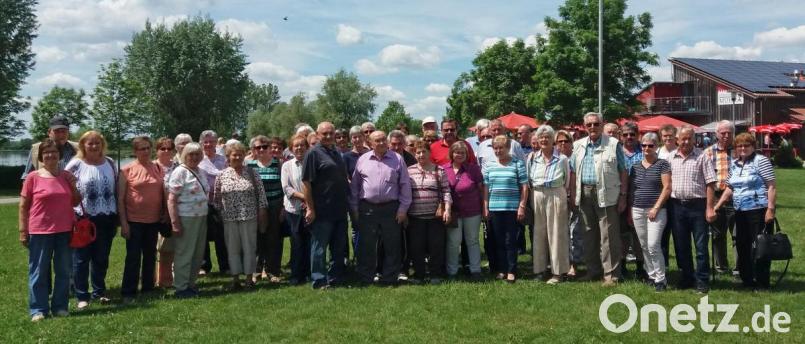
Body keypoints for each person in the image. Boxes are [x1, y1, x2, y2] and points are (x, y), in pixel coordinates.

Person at [20, 139, 81, 322]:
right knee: (38, 271)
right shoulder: (33, 177)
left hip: (65, 231)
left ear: (59, 155)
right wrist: (23, 230)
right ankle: (38, 309)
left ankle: (60, 307)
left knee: (63, 271)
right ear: (41, 156)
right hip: (40, 231)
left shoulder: (65, 176)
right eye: (46, 152)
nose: (50, 155)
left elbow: (76, 201)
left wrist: (73, 185)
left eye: (54, 152)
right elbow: (23, 206)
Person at [570, 112, 628, 287]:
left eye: (596, 124)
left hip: (607, 194)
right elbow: (573, 172)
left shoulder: (613, 144)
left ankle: (611, 275)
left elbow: (623, 171)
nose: (592, 127)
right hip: (584, 194)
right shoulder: (578, 145)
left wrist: (623, 196)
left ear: (602, 125)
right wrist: (573, 194)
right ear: (584, 126)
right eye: (589, 125)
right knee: (588, 234)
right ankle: (593, 271)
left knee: (609, 236)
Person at [714, 133, 776, 290]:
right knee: (743, 246)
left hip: (759, 210)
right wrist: (718, 205)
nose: (742, 148)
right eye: (739, 146)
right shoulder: (734, 164)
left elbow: (771, 186)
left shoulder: (761, 161)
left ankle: (762, 282)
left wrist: (770, 209)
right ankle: (747, 280)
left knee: (760, 247)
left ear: (753, 146)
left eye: (746, 145)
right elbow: (729, 188)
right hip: (740, 212)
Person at [351, 130, 412, 285]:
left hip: (391, 208)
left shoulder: (397, 159)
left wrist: (403, 209)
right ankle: (366, 277)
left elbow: (405, 185)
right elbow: (355, 187)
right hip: (367, 208)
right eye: (377, 140)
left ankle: (389, 277)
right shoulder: (363, 160)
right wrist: (355, 209)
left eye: (383, 139)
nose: (381, 143)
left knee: (392, 245)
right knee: (367, 245)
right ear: (370, 143)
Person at [66, 131, 118, 309]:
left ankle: (99, 291)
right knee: (81, 259)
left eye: (97, 143)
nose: (94, 146)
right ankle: (82, 295)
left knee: (101, 257)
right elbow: (65, 188)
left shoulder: (110, 163)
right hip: (84, 219)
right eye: (90, 143)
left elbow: (116, 188)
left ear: (102, 144)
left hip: (107, 217)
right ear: (83, 145)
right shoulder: (75, 164)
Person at [213, 142, 268, 289]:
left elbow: (261, 194)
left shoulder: (252, 172)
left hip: (249, 216)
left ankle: (249, 279)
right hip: (229, 218)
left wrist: (262, 211)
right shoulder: (221, 175)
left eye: (239, 154)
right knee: (232, 248)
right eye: (234, 154)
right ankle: (235, 279)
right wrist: (219, 214)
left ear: (244, 156)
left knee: (249, 247)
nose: (237, 157)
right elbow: (216, 197)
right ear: (228, 157)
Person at [669, 126, 717, 294]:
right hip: (677, 207)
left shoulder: (702, 157)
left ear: (694, 139)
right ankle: (687, 277)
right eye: (683, 138)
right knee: (681, 246)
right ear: (677, 139)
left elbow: (711, 183)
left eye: (689, 138)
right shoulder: (670, 158)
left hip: (698, 206)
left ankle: (702, 280)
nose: (686, 141)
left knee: (701, 246)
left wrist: (710, 208)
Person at [302, 122, 350, 289]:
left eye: (331, 133)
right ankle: (319, 280)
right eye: (325, 134)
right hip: (322, 210)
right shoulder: (313, 154)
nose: (329, 136)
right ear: (317, 134)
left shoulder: (336, 153)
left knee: (338, 247)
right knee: (319, 247)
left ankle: (336, 277)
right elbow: (307, 183)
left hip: (339, 208)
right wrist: (310, 208)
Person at [118, 137, 165, 302]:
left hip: (154, 220)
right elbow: (120, 199)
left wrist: (165, 213)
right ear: (135, 151)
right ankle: (128, 292)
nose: (145, 151)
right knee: (133, 257)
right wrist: (123, 223)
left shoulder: (158, 168)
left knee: (150, 255)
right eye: (141, 149)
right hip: (134, 220)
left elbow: (163, 192)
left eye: (147, 148)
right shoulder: (127, 170)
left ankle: (148, 288)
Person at [526, 125, 571, 284]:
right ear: (537, 140)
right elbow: (529, 180)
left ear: (553, 140)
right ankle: (539, 269)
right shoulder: (532, 158)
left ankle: (558, 272)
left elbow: (567, 182)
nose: (544, 140)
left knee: (556, 233)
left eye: (548, 137)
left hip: (556, 194)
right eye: (541, 137)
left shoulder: (563, 159)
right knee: (539, 233)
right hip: (537, 194)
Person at [628, 133, 672, 292]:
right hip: (637, 209)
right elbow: (632, 189)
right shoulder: (635, 166)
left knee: (654, 245)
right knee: (644, 245)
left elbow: (667, 188)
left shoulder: (663, 164)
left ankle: (661, 279)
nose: (647, 148)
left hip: (657, 211)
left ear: (656, 146)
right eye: (644, 145)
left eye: (650, 145)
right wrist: (629, 210)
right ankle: (651, 275)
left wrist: (656, 208)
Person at [482, 136, 528, 283]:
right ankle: (501, 269)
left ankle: (512, 270)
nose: (498, 151)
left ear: (508, 148)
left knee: (511, 241)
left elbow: (525, 187)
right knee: (498, 241)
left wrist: (522, 206)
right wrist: (485, 207)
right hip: (495, 208)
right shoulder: (489, 165)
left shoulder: (518, 163)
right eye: (495, 148)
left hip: (512, 208)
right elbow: (486, 188)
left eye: (501, 147)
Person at [166, 143, 209, 298]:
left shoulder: (200, 171)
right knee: (184, 253)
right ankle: (181, 287)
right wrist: (175, 222)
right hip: (186, 218)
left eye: (197, 154)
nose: (194, 157)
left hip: (201, 216)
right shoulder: (179, 172)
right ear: (184, 155)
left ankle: (191, 284)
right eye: (191, 154)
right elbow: (171, 199)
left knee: (197, 253)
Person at [407, 141, 452, 284]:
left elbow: (446, 191)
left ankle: (435, 274)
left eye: (424, 152)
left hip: (435, 217)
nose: (421, 155)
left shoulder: (439, 170)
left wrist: (448, 210)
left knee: (436, 247)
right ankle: (419, 275)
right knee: (416, 247)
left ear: (429, 153)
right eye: (418, 152)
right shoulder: (409, 171)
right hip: (415, 217)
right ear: (415, 154)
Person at [246, 135, 285, 283]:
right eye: (258, 147)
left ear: (270, 148)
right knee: (256, 239)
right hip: (256, 207)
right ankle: (256, 271)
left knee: (273, 238)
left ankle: (272, 271)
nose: (261, 149)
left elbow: (284, 187)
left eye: (265, 146)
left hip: (275, 205)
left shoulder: (279, 164)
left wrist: (282, 208)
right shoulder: (249, 166)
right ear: (253, 150)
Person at [444, 141, 484, 280]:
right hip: (453, 212)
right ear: (451, 153)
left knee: (472, 241)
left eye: (462, 152)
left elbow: (481, 189)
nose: (459, 155)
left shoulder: (473, 169)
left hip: (472, 211)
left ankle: (476, 270)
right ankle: (452, 272)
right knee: (453, 242)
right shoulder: (444, 169)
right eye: (457, 152)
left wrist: (484, 207)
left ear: (466, 154)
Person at [703, 120, 737, 275]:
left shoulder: (739, 150)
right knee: (717, 234)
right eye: (723, 133)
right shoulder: (708, 152)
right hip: (716, 196)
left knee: (738, 234)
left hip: (737, 197)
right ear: (716, 134)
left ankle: (739, 267)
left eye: (729, 132)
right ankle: (721, 267)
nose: (726, 135)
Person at [198, 130, 229, 276]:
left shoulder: (223, 160)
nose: (208, 144)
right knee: (202, 235)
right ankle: (204, 266)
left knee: (221, 235)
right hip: (202, 203)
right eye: (205, 141)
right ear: (201, 143)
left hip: (220, 203)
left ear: (216, 143)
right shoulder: (197, 160)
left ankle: (225, 265)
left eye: (211, 141)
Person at [282, 134, 312, 285]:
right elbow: (287, 188)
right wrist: (305, 198)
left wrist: (310, 203)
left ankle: (308, 273)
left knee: (310, 242)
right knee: (296, 242)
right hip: (293, 210)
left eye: (302, 145)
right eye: (296, 146)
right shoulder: (286, 166)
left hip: (311, 209)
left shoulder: (313, 163)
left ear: (307, 147)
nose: (299, 148)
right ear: (291, 148)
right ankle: (296, 274)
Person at [619, 122, 646, 280]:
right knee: (622, 235)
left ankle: (640, 268)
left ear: (638, 135)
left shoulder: (644, 152)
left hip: (639, 198)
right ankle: (621, 266)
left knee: (639, 235)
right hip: (620, 198)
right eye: (625, 134)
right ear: (621, 136)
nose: (629, 137)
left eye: (632, 134)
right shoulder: (617, 153)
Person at [555, 130, 583, 277]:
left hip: (575, 199)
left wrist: (572, 196)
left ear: (572, 143)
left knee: (574, 233)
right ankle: (560, 263)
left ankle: (574, 264)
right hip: (557, 200)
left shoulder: (577, 158)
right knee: (559, 233)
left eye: (566, 141)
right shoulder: (554, 159)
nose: (563, 144)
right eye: (560, 141)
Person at [154, 137, 177, 289]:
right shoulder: (152, 166)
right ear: (157, 150)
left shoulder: (178, 167)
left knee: (169, 247)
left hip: (173, 212)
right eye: (163, 148)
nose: (166, 151)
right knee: (157, 248)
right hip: (153, 211)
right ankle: (155, 279)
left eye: (169, 148)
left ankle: (167, 280)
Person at [657, 125, 677, 265]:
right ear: (661, 137)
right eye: (665, 135)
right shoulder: (657, 152)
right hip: (662, 197)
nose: (667, 138)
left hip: (676, 197)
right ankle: (664, 264)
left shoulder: (679, 151)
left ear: (675, 136)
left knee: (678, 233)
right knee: (662, 233)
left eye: (670, 135)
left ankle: (682, 264)